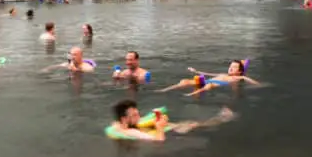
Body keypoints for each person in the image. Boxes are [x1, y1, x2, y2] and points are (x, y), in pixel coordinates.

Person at [106, 100, 237, 141]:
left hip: (147, 130)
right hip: (167, 136)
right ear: (124, 118)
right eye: (134, 115)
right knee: (192, 125)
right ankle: (222, 119)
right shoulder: (131, 132)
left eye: (138, 113)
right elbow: (159, 140)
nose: (139, 117)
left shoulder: (119, 124)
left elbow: (118, 124)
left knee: (186, 123)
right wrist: (159, 126)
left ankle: (220, 118)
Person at [161, 60, 260, 95]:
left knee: (210, 85)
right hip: (207, 81)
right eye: (230, 66)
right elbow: (208, 74)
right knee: (185, 81)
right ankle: (165, 89)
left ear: (239, 71)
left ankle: (190, 94)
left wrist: (258, 84)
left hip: (215, 84)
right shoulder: (223, 74)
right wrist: (196, 71)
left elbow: (247, 79)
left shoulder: (239, 77)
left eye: (234, 67)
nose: (231, 68)